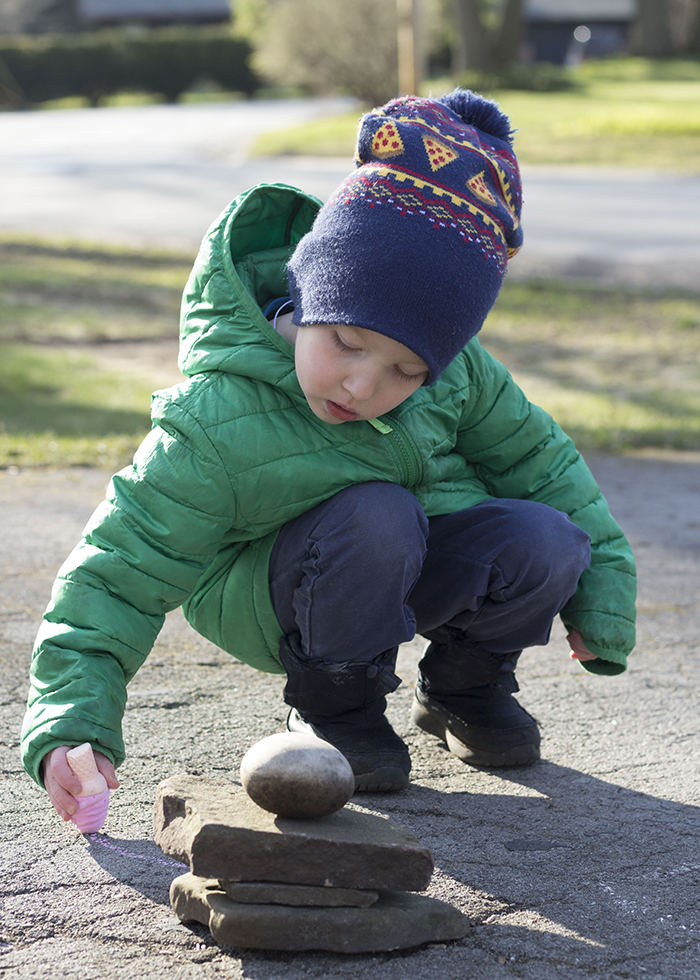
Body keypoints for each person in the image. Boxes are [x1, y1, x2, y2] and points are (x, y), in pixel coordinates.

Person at [21, 90, 636, 821]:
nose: (362, 384)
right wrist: (72, 724)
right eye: (345, 343)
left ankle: (466, 689)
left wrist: (603, 594)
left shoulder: (463, 375)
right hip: (271, 590)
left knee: (545, 537)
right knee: (378, 512)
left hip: (398, 560)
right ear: (310, 288)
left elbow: (547, 468)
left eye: (407, 372)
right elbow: (117, 572)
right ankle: (335, 705)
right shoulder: (216, 419)